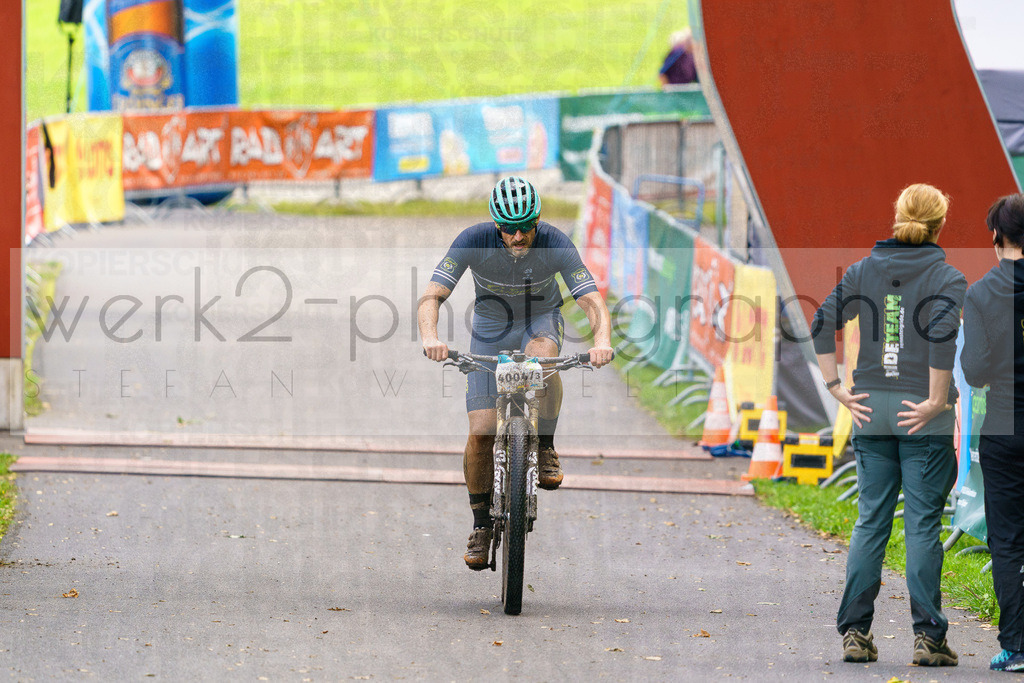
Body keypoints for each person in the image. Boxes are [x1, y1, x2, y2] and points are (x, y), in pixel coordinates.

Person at [419, 176, 614, 570]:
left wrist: (602, 340)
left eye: (526, 225)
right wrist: (430, 336)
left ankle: (543, 446)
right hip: (490, 329)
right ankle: (480, 526)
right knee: (481, 431)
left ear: (537, 219)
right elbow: (433, 294)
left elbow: (590, 300)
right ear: (496, 225)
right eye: (509, 228)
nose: (519, 235)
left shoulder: (556, 242)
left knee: (543, 362)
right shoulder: (472, 239)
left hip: (539, 321)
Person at [812, 184, 966, 666]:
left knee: (870, 522)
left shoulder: (863, 270)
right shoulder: (947, 277)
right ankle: (928, 639)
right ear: (940, 224)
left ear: (897, 217)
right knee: (922, 527)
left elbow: (821, 322)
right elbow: (942, 336)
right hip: (922, 411)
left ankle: (855, 633)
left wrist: (836, 388)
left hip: (870, 407)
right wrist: (938, 400)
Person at [960, 193, 1024, 673]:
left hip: (1004, 425)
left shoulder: (980, 294)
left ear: (995, 238)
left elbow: (977, 370)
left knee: (1006, 539)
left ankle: (1016, 646)